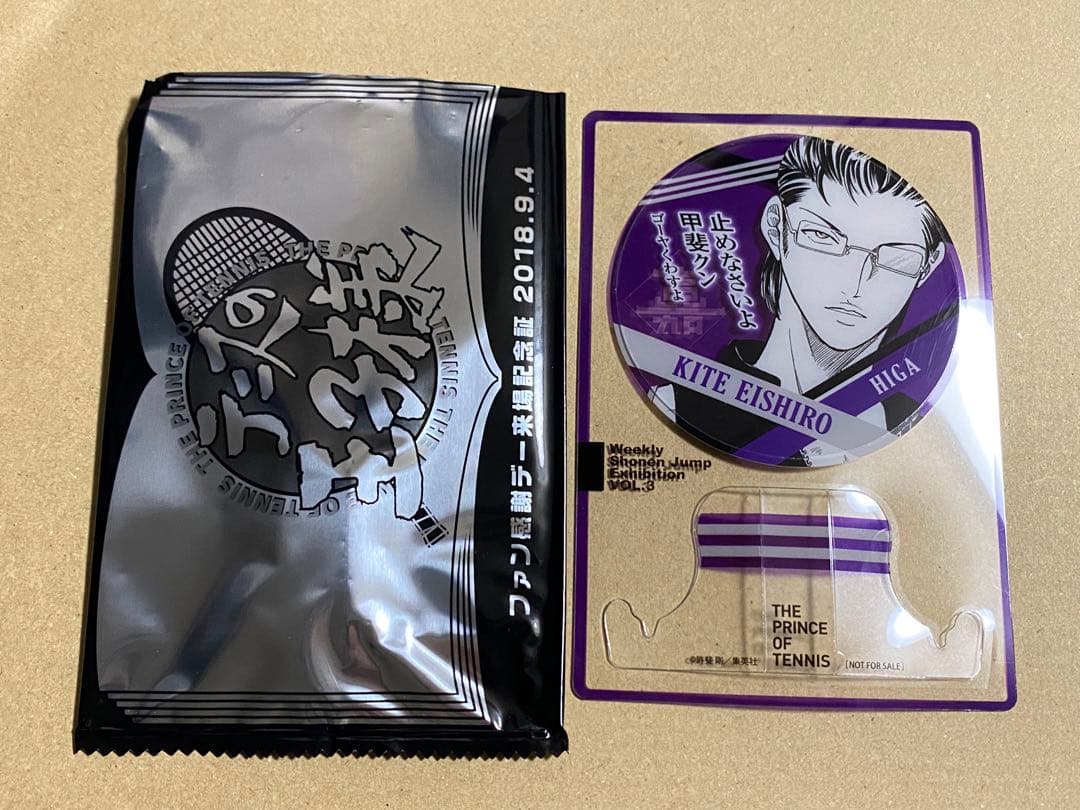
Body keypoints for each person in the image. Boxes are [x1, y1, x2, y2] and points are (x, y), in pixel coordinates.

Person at [653, 136, 951, 465]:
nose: (855, 284)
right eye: (822, 236)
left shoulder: (927, 435)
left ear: (928, 266)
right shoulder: (679, 404)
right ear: (777, 227)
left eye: (897, 258)